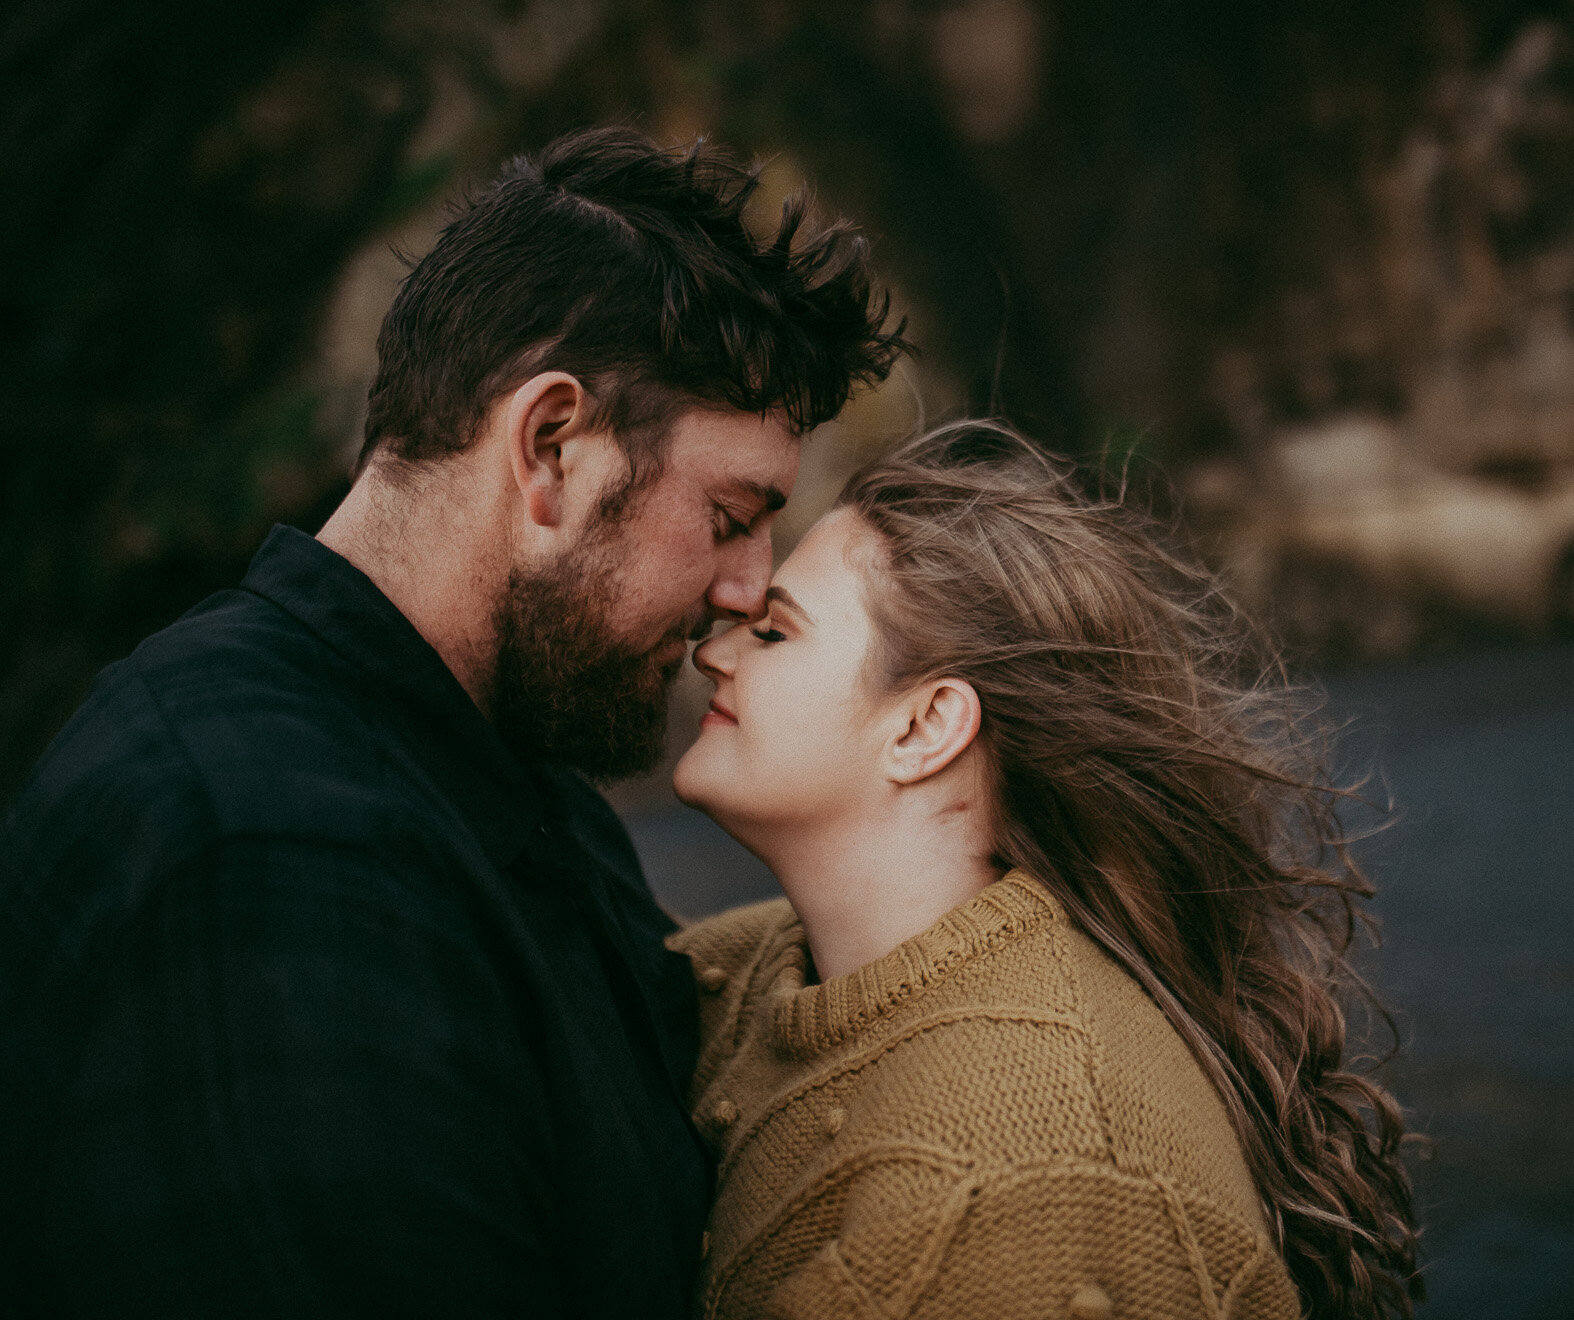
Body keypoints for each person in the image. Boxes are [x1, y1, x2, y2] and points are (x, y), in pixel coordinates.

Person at [0, 127, 903, 1316]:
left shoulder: (503, 783)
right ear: (549, 448)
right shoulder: (268, 857)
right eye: (730, 514)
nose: (747, 587)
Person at [669, 423, 1422, 1320]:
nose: (714, 650)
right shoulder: (749, 976)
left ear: (923, 729)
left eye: (774, 632)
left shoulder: (1042, 1194)